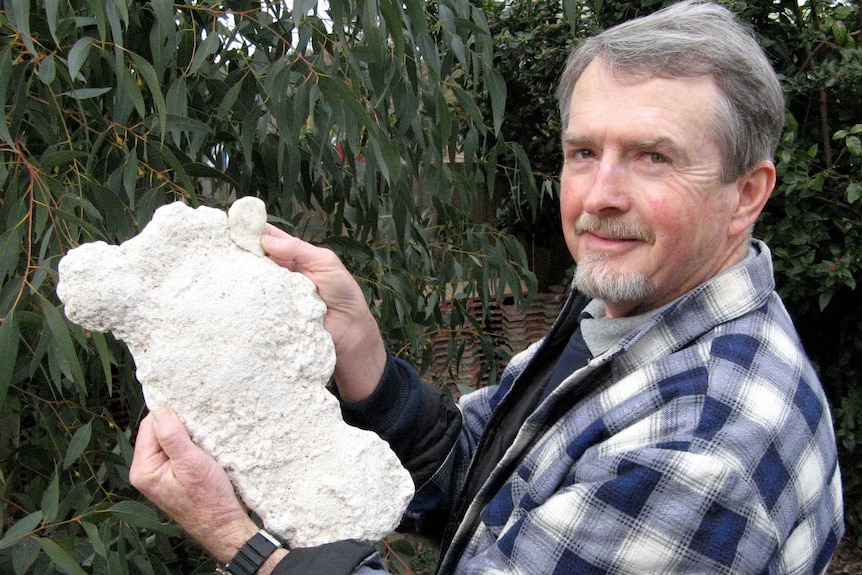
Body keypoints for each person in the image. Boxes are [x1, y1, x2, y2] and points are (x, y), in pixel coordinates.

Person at [129, 1, 845, 573]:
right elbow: (485, 480)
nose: (599, 195)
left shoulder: (704, 448)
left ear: (746, 193)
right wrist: (366, 361)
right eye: (583, 152)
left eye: (652, 157)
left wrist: (241, 541)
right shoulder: (627, 311)